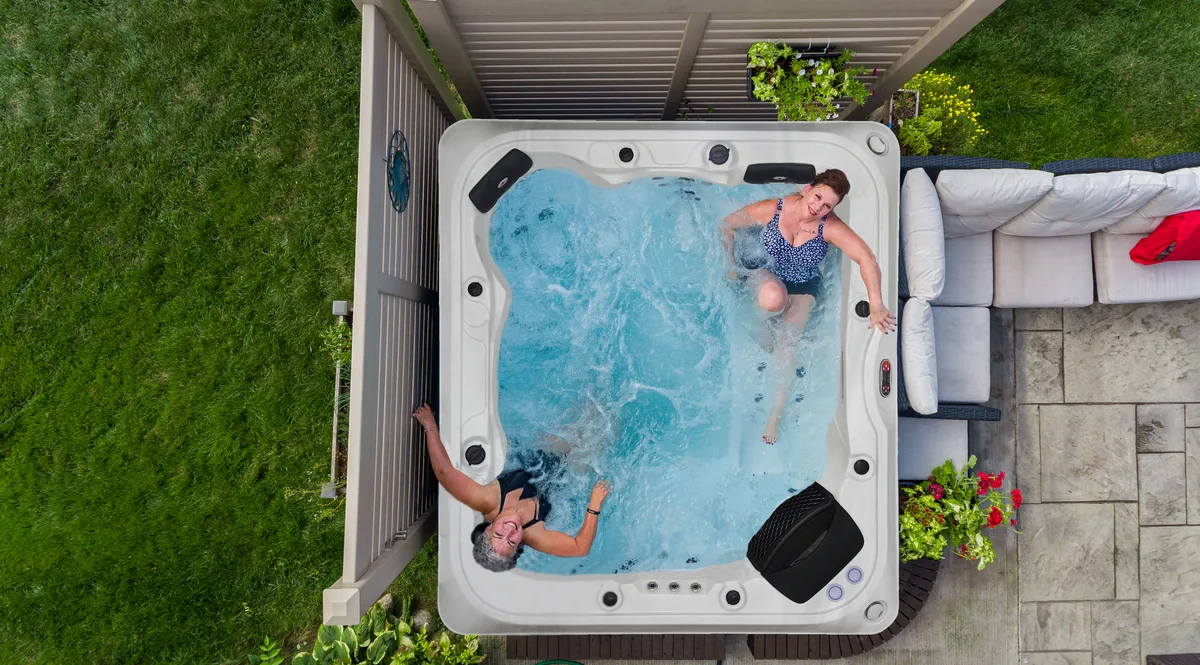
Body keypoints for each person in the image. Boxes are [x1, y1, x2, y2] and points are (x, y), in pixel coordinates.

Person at [720, 168, 896, 444]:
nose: (818, 207)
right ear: (806, 189)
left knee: (787, 343)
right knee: (772, 299)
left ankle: (774, 415)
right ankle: (763, 329)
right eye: (817, 197)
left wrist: (877, 304)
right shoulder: (774, 209)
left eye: (827, 205)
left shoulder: (830, 226)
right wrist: (730, 265)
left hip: (803, 285)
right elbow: (727, 224)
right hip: (767, 272)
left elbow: (867, 259)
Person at [412, 403, 613, 572]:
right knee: (606, 431)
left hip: (539, 456)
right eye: (511, 541)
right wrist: (593, 506)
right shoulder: (534, 536)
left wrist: (430, 425)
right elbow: (581, 548)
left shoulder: (487, 500)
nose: (509, 531)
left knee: (591, 411)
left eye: (499, 534)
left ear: (489, 528)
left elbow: (444, 472)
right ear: (518, 546)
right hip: (565, 477)